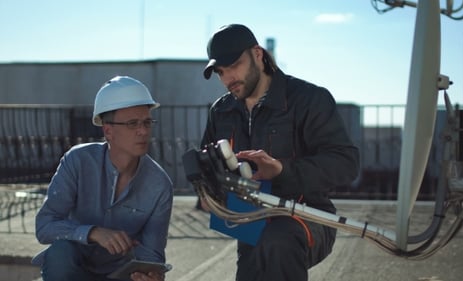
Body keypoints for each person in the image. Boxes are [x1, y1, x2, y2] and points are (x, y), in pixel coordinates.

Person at [199, 24, 360, 281]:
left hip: (307, 214)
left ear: (258, 54)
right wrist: (209, 194)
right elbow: (207, 166)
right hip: (250, 223)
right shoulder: (221, 111)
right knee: (259, 258)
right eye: (220, 71)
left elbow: (346, 163)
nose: (228, 78)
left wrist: (282, 171)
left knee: (276, 243)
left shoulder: (308, 99)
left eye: (235, 65)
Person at [33, 76, 174, 281]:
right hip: (73, 268)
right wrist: (94, 233)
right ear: (108, 131)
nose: (143, 131)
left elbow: (152, 254)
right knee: (60, 252)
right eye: (132, 124)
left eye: (146, 122)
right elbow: (45, 226)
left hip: (120, 274)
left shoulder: (160, 185)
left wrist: (153, 275)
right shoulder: (78, 161)